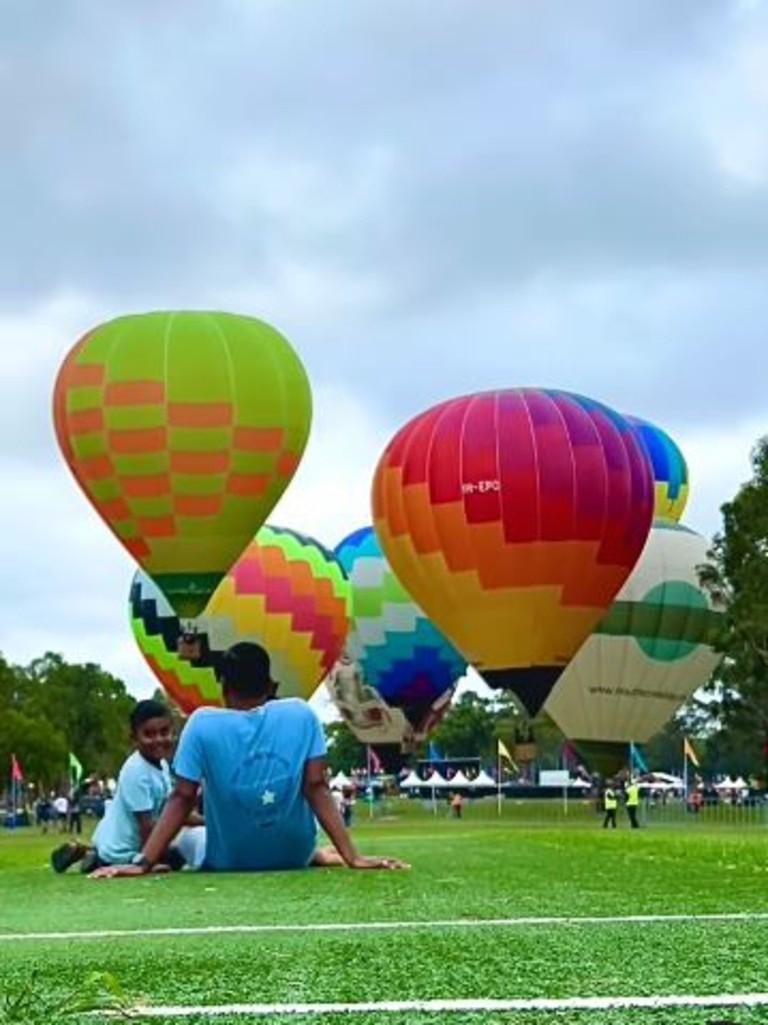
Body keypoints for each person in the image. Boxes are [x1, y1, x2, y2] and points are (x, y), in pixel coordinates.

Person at [93, 642, 410, 877]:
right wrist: (352, 856)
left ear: (224, 687)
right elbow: (317, 788)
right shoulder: (302, 714)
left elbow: (182, 797)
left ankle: (108, 853)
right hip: (294, 855)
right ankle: (319, 853)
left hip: (229, 861)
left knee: (190, 837)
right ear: (270, 685)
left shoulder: (201, 723)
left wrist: (142, 863)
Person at [50, 699, 200, 874]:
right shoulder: (137, 772)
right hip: (122, 852)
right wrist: (151, 863)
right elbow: (146, 826)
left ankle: (87, 852)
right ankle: (97, 860)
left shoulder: (161, 765)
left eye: (164, 732)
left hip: (117, 842)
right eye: (149, 734)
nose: (158, 739)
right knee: (178, 858)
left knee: (178, 850)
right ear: (134, 738)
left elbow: (173, 812)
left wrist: (208, 822)